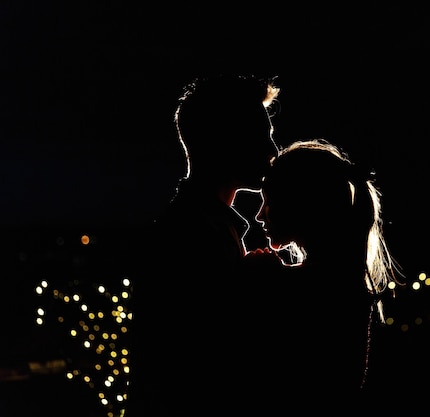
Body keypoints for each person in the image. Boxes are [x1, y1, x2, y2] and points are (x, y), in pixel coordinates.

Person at [124, 73, 280, 416]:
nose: (273, 151)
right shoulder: (191, 237)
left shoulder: (199, 225)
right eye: (261, 137)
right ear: (224, 140)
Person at [243, 138, 404, 406]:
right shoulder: (344, 283)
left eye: (268, 201)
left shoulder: (305, 287)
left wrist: (263, 274)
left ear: (300, 205)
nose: (259, 215)